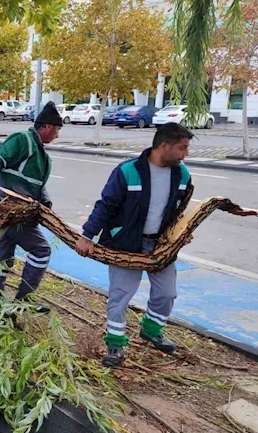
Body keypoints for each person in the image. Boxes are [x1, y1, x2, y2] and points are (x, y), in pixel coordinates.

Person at [75, 123, 194, 367]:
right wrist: (87, 235)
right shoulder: (128, 171)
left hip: (160, 245)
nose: (185, 154)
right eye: (182, 148)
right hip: (126, 243)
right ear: (164, 146)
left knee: (167, 292)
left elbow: (180, 210)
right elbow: (106, 205)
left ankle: (151, 329)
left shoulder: (182, 175)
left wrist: (183, 233)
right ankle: (115, 345)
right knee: (120, 295)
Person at [0, 101, 62, 312]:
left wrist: (46, 201)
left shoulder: (43, 156)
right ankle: (22, 302)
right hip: (9, 211)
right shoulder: (23, 140)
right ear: (48, 127)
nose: (57, 136)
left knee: (2, 259)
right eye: (57, 130)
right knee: (41, 250)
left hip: (17, 214)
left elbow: (34, 185)